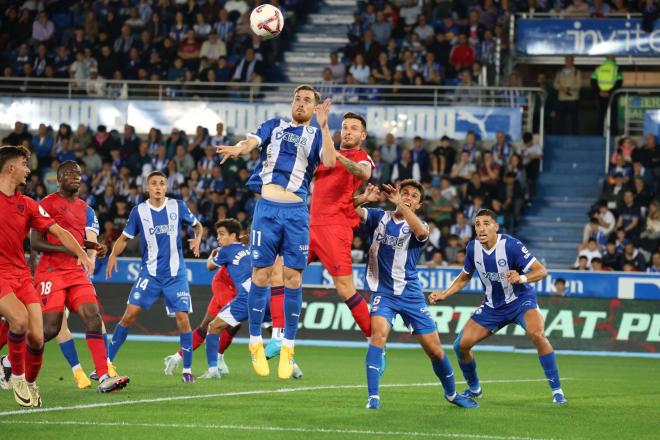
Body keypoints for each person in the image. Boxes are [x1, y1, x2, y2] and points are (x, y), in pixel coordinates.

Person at [217, 85, 335, 379]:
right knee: (261, 274)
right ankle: (255, 341)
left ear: (315, 107)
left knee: (294, 278)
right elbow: (251, 142)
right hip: (267, 209)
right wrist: (238, 148)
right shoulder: (275, 125)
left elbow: (330, 162)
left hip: (296, 213)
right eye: (297, 98)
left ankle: (288, 347)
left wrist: (324, 126)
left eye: (308, 100)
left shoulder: (318, 134)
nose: (301, 103)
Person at [355, 180, 478, 410]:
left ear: (419, 205)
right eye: (404, 193)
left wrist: (403, 205)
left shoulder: (419, 225)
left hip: (411, 294)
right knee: (378, 336)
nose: (408, 197)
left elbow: (421, 232)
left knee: (435, 350)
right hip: (383, 292)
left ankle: (451, 394)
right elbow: (345, 209)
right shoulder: (377, 217)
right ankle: (373, 398)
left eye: (413, 196)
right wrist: (362, 199)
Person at [429, 209, 567, 405]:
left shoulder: (511, 245)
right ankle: (475, 389)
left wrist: (521, 278)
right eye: (478, 224)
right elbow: (464, 278)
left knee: (537, 334)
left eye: (486, 223)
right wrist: (444, 294)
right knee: (461, 346)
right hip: (492, 307)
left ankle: (557, 390)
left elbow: (541, 271)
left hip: (520, 301)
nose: (481, 228)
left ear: (496, 227)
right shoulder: (472, 248)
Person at [0, 146, 93, 407]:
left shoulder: (28, 204)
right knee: (18, 320)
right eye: (23, 165)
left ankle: (30, 382)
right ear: (10, 168)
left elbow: (60, 232)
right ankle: (16, 377)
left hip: (22, 275)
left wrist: (82, 254)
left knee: (38, 337)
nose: (28, 170)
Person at [30, 161, 129, 393]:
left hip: (75, 272)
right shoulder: (46, 204)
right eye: (71, 174)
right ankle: (10, 362)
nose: (76, 177)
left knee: (93, 317)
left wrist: (94, 246)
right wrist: (69, 249)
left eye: (79, 174)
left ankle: (104, 376)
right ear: (59, 178)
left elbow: (79, 240)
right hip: (51, 272)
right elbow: (35, 242)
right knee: (50, 329)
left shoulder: (84, 207)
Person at [105, 171, 203, 383]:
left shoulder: (177, 206)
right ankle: (105, 364)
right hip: (149, 274)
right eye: (154, 184)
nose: (158, 187)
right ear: (147, 188)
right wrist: (113, 254)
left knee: (183, 319)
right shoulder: (139, 211)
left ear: (166, 187)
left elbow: (197, 225)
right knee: (128, 316)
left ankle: (187, 369)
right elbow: (123, 238)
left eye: (161, 183)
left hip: (175, 275)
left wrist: (198, 239)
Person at [309, 112, 375, 346]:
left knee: (345, 289)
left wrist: (337, 156)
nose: (347, 131)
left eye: (354, 128)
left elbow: (363, 172)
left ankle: (374, 340)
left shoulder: (362, 156)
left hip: (335, 228)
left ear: (362, 135)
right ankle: (277, 333)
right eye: (345, 127)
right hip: (307, 225)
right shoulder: (323, 152)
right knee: (277, 273)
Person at [591, 56, 622, 134]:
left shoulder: (598, 68)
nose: (615, 59)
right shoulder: (616, 69)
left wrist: (600, 91)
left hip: (600, 96)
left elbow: (593, 81)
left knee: (600, 116)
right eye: (614, 58)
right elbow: (619, 83)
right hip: (611, 96)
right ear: (612, 59)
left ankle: (598, 134)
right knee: (612, 116)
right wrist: (609, 92)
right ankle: (613, 134)